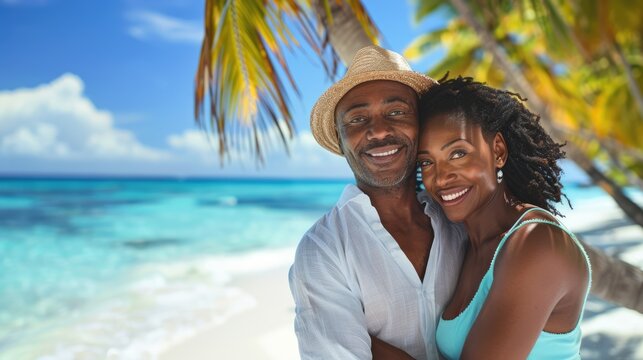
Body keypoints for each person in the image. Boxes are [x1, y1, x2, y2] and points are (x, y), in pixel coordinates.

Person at [288, 46, 467, 359]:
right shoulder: (324, 249)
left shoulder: (460, 220)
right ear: (341, 141)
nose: (379, 130)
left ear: (422, 126)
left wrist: (374, 346)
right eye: (357, 119)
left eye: (396, 112)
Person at [417, 76, 592, 359]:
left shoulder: (536, 244)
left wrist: (370, 344)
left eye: (458, 153)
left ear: (497, 150)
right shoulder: (463, 243)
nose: (441, 177)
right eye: (426, 162)